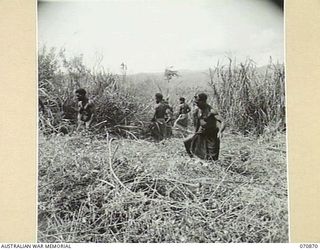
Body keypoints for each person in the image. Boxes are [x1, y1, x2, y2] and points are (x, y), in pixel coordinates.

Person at [184, 93, 225, 161]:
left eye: (198, 102)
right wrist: (195, 132)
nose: (196, 104)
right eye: (196, 102)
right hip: (202, 132)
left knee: (211, 156)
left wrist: (220, 131)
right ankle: (193, 159)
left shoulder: (211, 111)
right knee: (187, 142)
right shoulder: (198, 110)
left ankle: (209, 165)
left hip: (211, 135)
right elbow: (198, 122)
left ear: (203, 101)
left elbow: (223, 121)